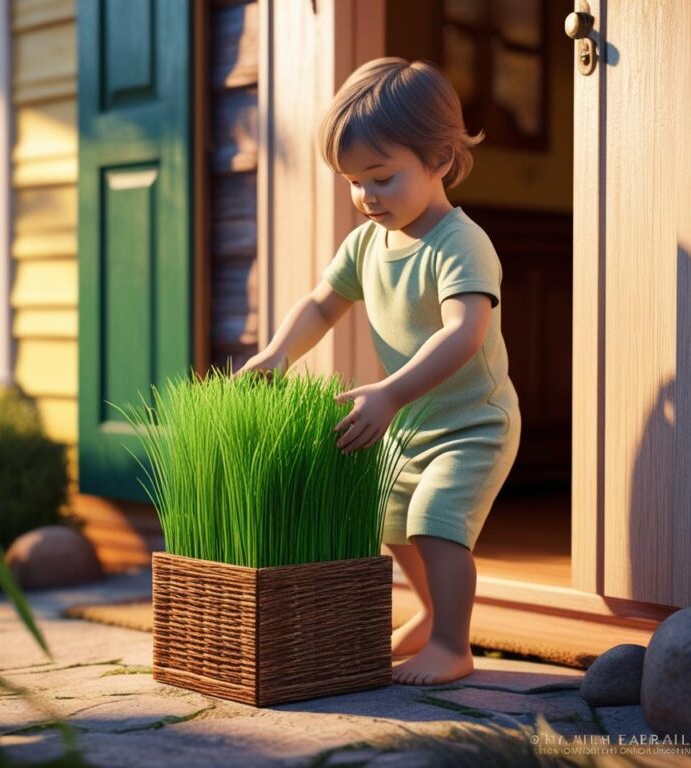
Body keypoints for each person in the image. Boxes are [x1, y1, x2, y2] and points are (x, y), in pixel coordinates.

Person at [233, 57, 521, 686]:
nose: (365, 196)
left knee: (438, 521)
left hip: (473, 421)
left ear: (440, 161)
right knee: (394, 523)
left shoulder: (459, 242)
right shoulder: (366, 244)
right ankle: (428, 613)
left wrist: (390, 393)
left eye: (382, 178)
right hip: (410, 422)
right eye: (352, 181)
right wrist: (280, 351)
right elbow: (321, 303)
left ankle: (452, 643)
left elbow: (464, 333)